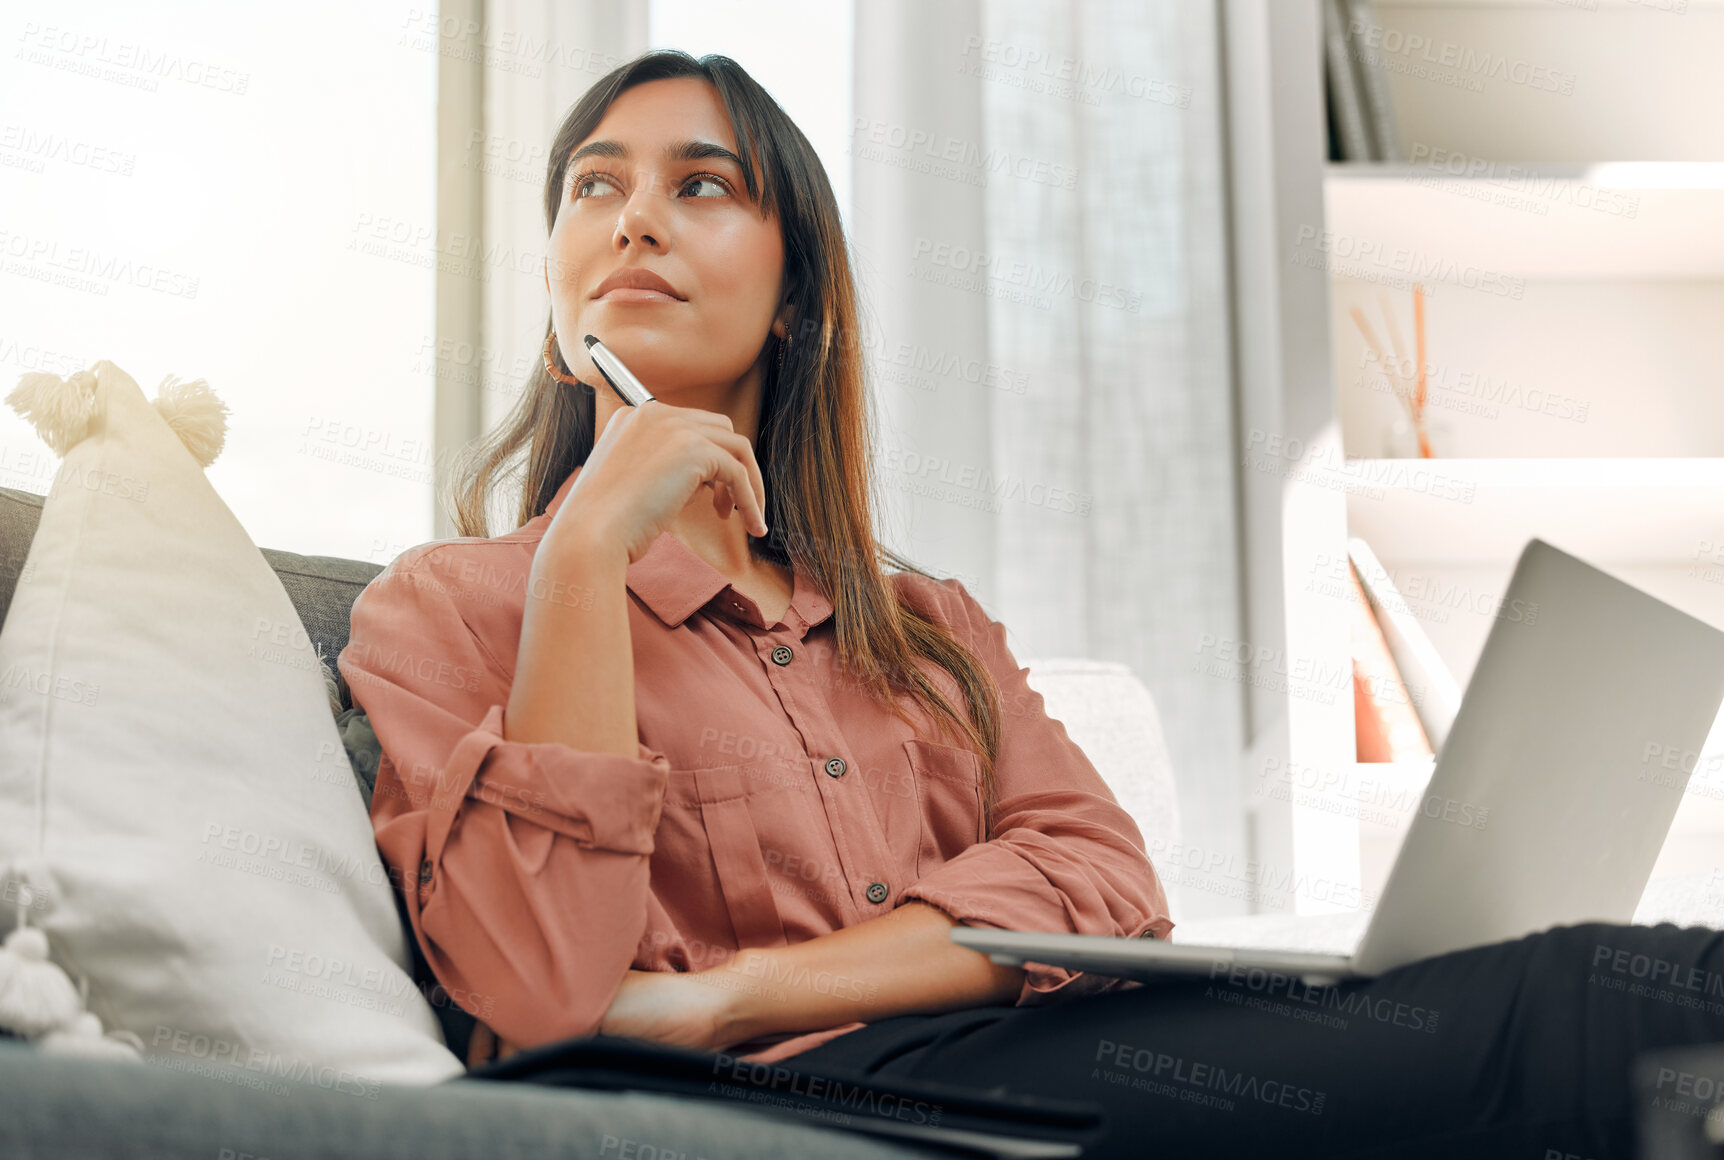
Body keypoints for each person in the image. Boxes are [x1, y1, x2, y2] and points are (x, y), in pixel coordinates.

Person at [336, 49, 1724, 1160]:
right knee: (1601, 1005)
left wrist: (727, 989)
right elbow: (547, 990)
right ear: (555, 280)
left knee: (1604, 1012)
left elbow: (1109, 890)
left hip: (994, 1067)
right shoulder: (445, 612)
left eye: (702, 185)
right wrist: (584, 554)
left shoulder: (925, 621)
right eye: (592, 185)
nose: (631, 214)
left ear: (796, 293)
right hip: (758, 1115)